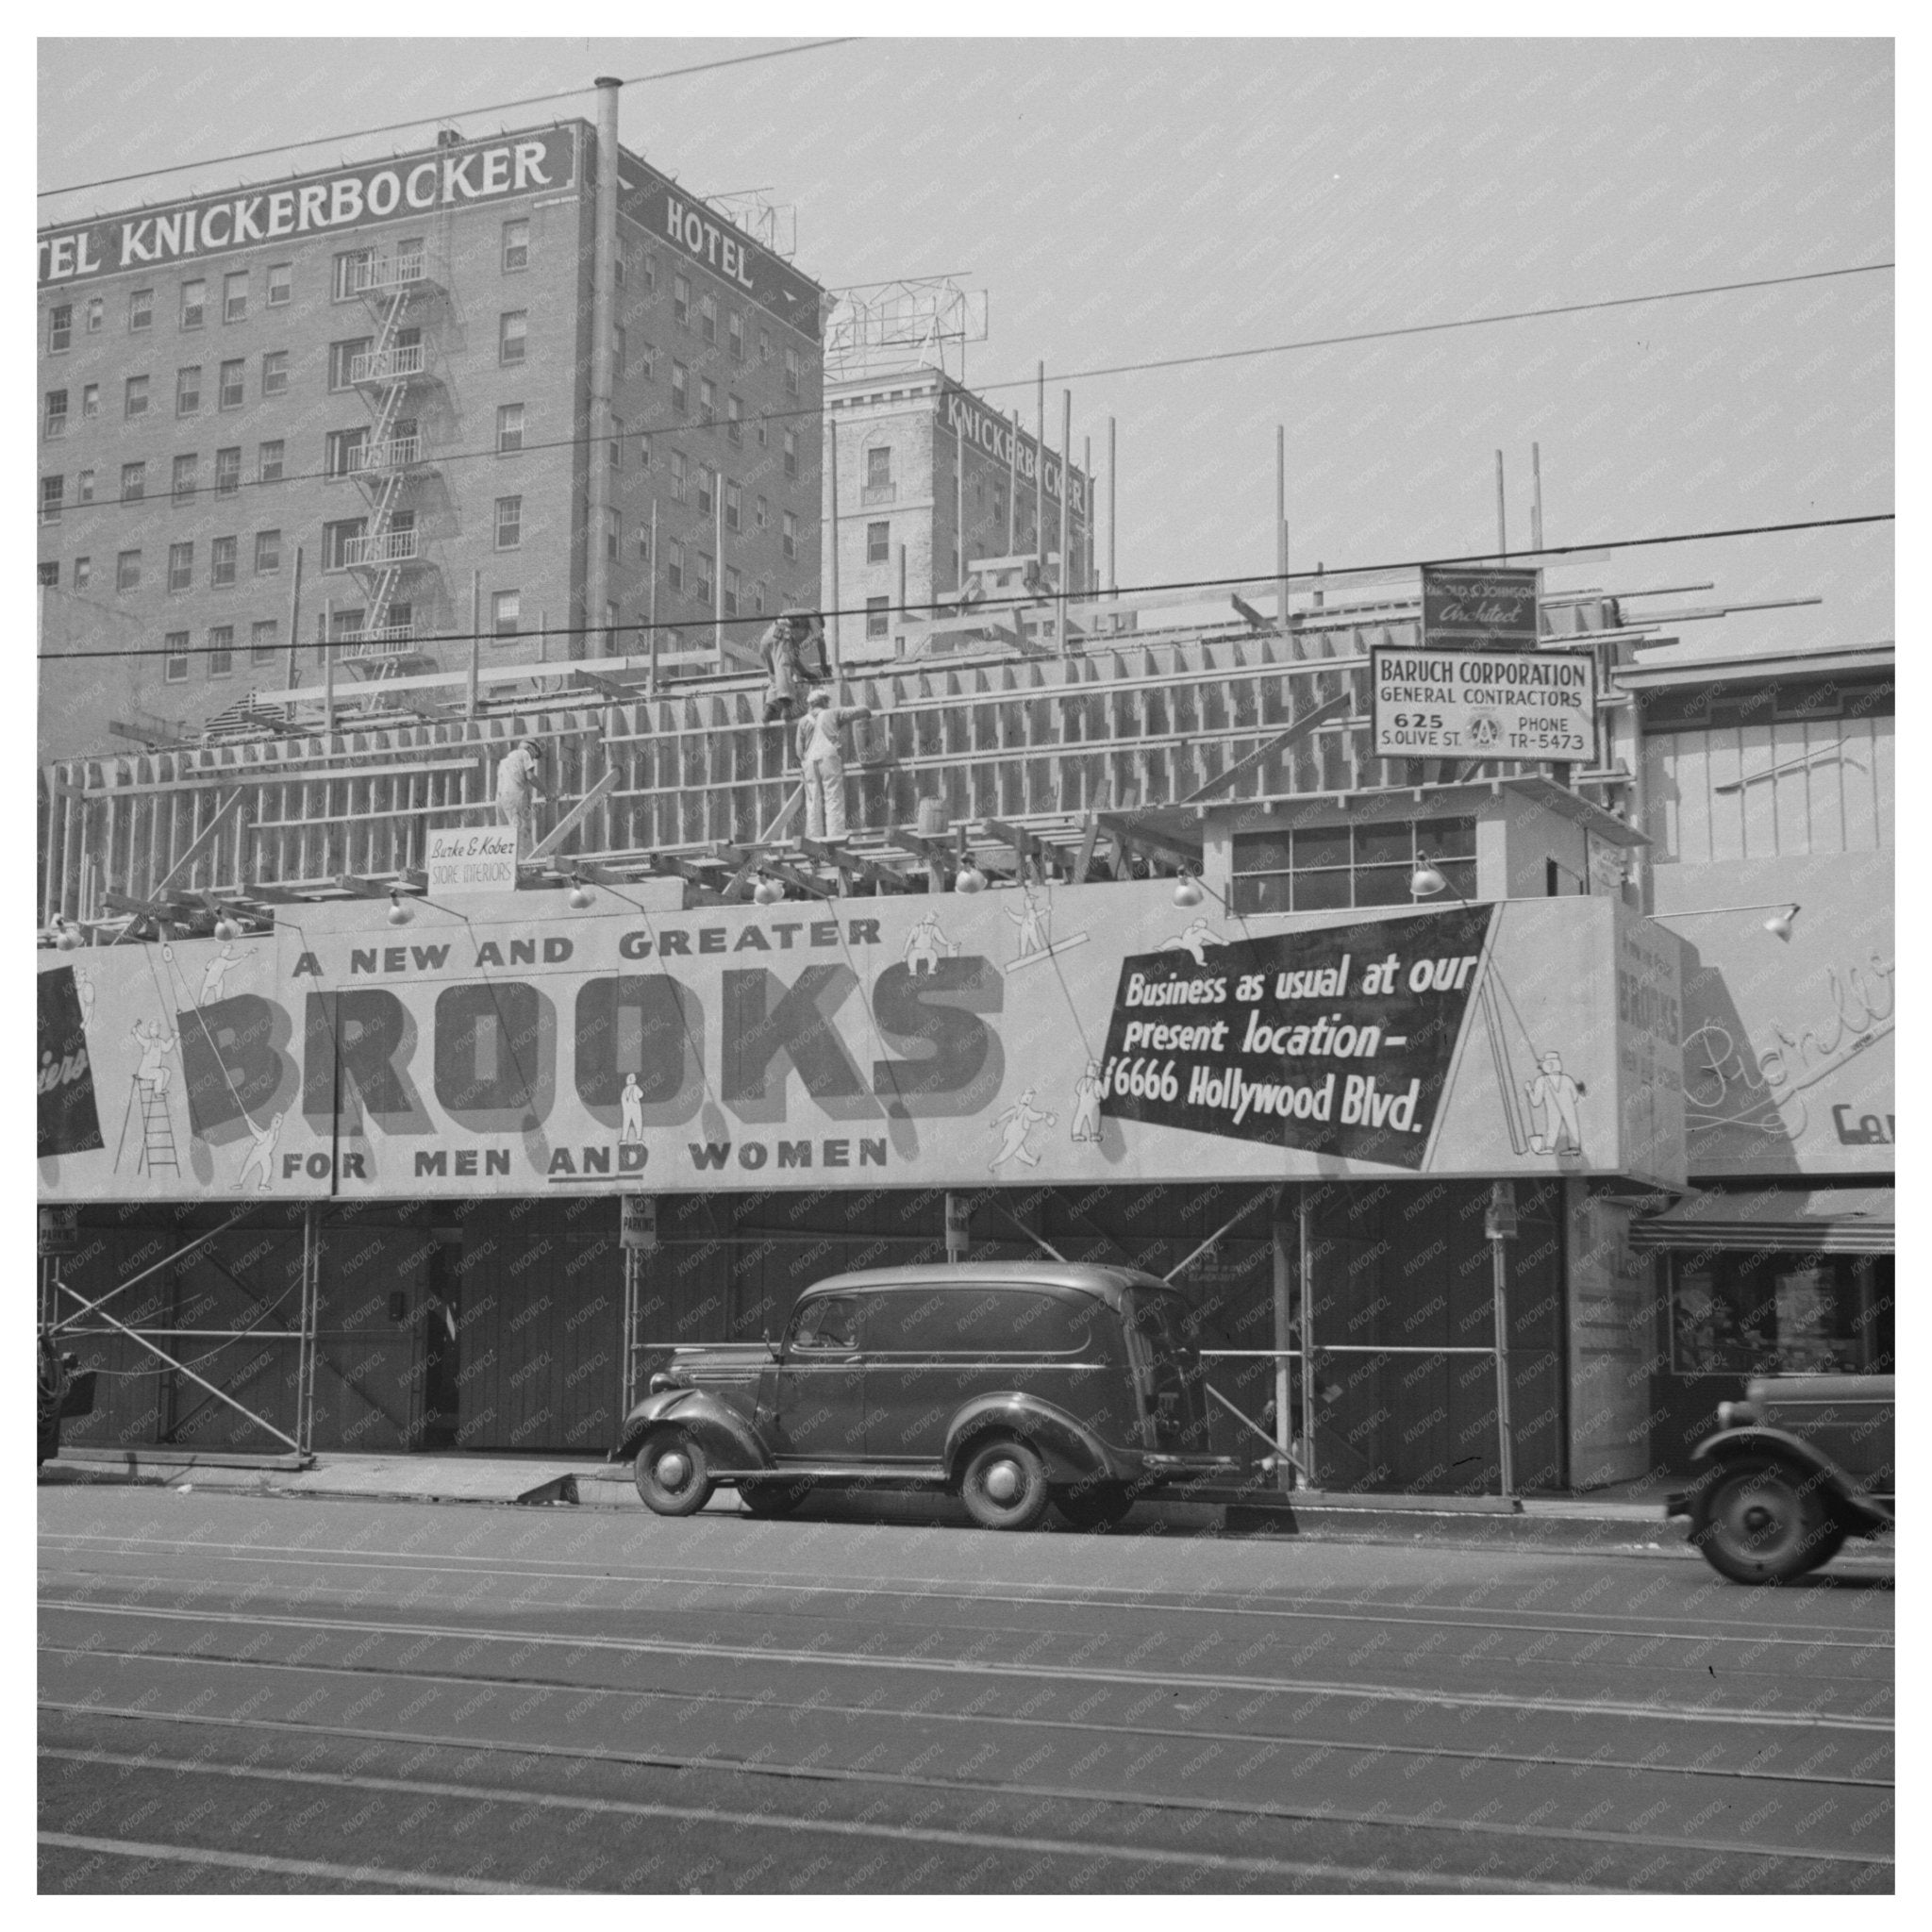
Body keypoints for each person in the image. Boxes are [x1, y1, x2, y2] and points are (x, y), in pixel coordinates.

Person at [794, 689, 873, 841]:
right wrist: (867, 711)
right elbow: (858, 711)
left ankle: (814, 839)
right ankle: (835, 837)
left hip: (809, 761)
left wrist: (805, 763)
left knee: (812, 801)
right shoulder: (832, 713)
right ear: (824, 701)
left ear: (810, 705)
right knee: (833, 797)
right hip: (828, 758)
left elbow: (799, 750)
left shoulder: (803, 721)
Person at [496, 738, 545, 861]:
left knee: (505, 832)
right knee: (522, 830)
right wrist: (546, 792)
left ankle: (505, 862)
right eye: (534, 755)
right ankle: (524, 866)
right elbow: (530, 777)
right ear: (529, 748)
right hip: (516, 796)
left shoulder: (505, 761)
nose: (533, 758)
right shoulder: (525, 753)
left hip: (500, 799)